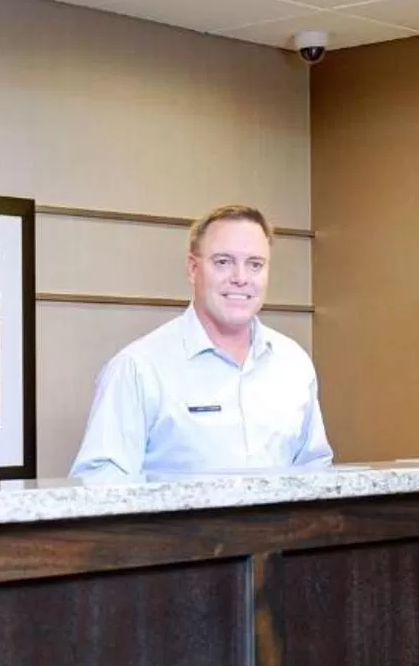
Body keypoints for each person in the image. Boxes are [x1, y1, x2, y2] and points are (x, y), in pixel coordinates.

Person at [70, 204, 332, 479]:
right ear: (193, 269)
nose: (241, 278)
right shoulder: (138, 369)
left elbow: (316, 473)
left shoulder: (294, 364)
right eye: (223, 262)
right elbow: (100, 486)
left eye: (255, 264)